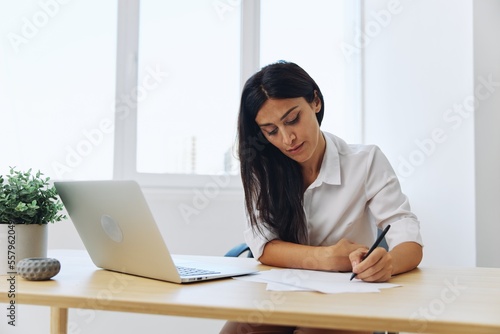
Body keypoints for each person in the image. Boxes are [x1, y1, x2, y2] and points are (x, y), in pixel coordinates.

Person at [219, 61, 423, 334]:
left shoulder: (365, 161)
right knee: (243, 328)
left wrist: (389, 263)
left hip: (347, 297)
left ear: (315, 102)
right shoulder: (261, 168)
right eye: (271, 131)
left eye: (292, 119)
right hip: (282, 291)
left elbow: (408, 238)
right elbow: (264, 247)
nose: (287, 138)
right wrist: (326, 257)